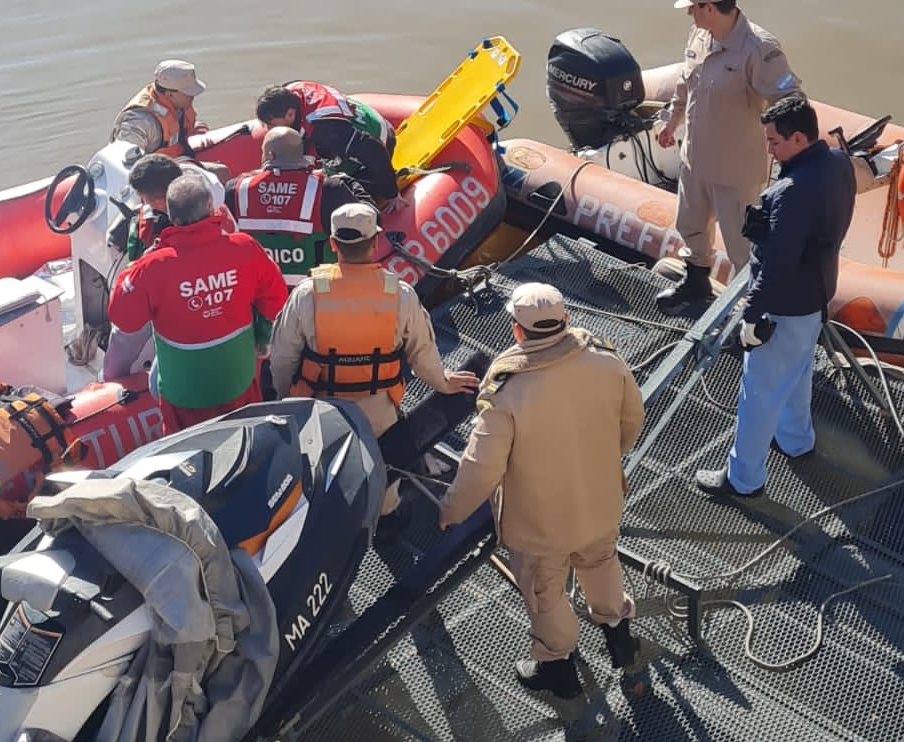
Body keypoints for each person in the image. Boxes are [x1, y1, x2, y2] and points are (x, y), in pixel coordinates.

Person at [438, 282, 646, 699]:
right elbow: (632, 421)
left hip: (540, 523)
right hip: (600, 502)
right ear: (565, 320)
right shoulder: (607, 361)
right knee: (601, 562)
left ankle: (556, 666)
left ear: (517, 331)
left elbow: (481, 468)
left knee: (545, 592)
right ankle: (619, 635)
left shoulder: (508, 391)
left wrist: (451, 510)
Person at [269, 202, 479, 519]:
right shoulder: (400, 293)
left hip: (321, 407)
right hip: (379, 407)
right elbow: (423, 355)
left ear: (333, 244)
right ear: (376, 243)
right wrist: (444, 382)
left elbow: (282, 358)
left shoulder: (308, 293)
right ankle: (385, 517)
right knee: (384, 470)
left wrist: (290, 397)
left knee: (323, 468)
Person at [695, 95, 856, 498]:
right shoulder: (838, 164)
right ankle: (796, 439)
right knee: (799, 371)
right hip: (816, 296)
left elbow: (778, 262)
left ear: (798, 138)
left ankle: (744, 478)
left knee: (758, 393)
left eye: (774, 141)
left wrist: (752, 313)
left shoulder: (791, 191)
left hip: (785, 303)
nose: (768, 148)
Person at [655, 0, 803, 311]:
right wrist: (671, 120)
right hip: (695, 160)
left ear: (709, 8)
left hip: (736, 170)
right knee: (691, 226)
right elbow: (685, 82)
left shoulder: (759, 50)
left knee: (742, 246)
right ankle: (695, 284)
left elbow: (790, 100)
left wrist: (789, 151)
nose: (689, 14)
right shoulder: (699, 34)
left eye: (692, 7)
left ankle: (748, 312)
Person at [108, 172, 288, 433]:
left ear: (170, 214)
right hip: (238, 380)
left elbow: (123, 318)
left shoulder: (152, 266)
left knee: (187, 453)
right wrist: (262, 336)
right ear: (209, 208)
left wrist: (135, 268)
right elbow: (276, 298)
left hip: (183, 395)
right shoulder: (245, 247)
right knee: (249, 440)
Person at [225, 126, 373, 288]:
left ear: (269, 155)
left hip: (261, 295)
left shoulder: (237, 189)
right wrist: (349, 182)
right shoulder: (328, 188)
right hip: (317, 294)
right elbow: (371, 219)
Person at [255, 82, 399, 204]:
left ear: (290, 114)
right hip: (351, 121)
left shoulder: (326, 131)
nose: (268, 129)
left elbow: (373, 150)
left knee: (335, 195)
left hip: (377, 137)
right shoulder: (290, 90)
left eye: (271, 125)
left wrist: (391, 193)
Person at [111, 60, 210, 158]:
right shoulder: (141, 121)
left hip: (175, 161)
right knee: (219, 170)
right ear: (170, 94)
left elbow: (172, 132)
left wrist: (189, 130)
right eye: (188, 92)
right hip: (157, 171)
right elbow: (123, 160)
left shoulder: (177, 104)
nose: (193, 96)